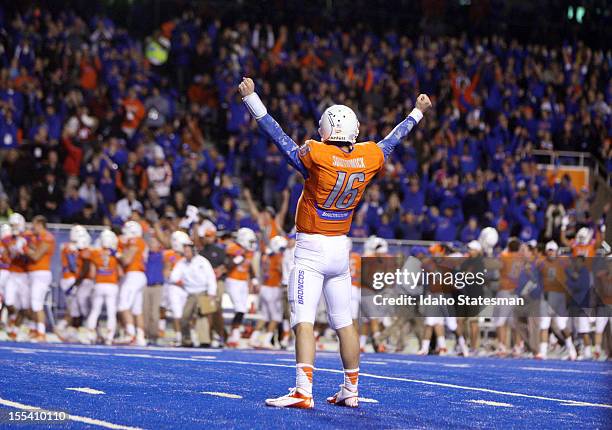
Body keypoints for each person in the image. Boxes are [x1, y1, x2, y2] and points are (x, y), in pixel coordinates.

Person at [239, 76, 431, 408]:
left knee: (303, 320)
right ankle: (351, 389)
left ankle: (302, 390)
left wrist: (252, 100)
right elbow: (393, 140)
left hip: (312, 248)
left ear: (326, 129)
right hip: (341, 247)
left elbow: (280, 139)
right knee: (344, 323)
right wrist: (416, 112)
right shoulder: (369, 156)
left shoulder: (317, 154)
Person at [169, 231, 217, 346]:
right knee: (184, 317)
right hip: (190, 293)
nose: (185, 253)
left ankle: (205, 341)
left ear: (193, 251)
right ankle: (187, 340)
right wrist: (182, 283)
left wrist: (211, 293)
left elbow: (211, 277)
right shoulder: (182, 263)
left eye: (187, 250)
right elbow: (173, 277)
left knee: (203, 317)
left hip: (203, 292)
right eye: (184, 250)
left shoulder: (202, 261)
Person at [85, 229, 122, 345]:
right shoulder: (116, 253)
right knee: (111, 312)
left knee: (95, 311)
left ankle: (90, 336)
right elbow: (120, 273)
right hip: (112, 285)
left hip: (99, 284)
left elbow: (91, 274)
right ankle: (109, 338)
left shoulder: (95, 253)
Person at [224, 227, 257, 347]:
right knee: (240, 308)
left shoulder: (249, 251)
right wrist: (240, 257)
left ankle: (234, 334)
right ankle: (234, 335)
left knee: (242, 308)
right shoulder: (233, 248)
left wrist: (254, 280)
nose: (252, 244)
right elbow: (227, 265)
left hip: (243, 282)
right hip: (232, 280)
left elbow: (249, 266)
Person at [24, 215, 56, 341]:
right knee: (30, 303)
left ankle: (41, 333)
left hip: (41, 273)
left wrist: (24, 248)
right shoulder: (36, 237)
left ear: (40, 224)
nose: (32, 227)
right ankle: (33, 329)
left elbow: (36, 256)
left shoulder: (47, 237)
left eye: (34, 224)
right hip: (32, 273)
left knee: (36, 303)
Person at [117, 220, 148, 345]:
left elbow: (126, 260)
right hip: (138, 275)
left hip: (133, 275)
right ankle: (140, 336)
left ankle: (130, 334)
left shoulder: (135, 241)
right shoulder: (140, 241)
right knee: (136, 309)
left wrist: (117, 254)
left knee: (123, 305)